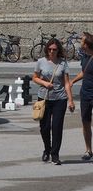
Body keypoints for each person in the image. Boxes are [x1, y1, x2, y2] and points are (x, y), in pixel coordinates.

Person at [33, 37, 75, 165]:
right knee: (44, 127)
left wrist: (71, 100)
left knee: (57, 127)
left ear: (58, 50)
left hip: (59, 99)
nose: (52, 52)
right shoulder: (41, 62)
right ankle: (47, 148)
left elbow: (66, 83)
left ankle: (55, 154)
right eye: (50, 49)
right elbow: (35, 78)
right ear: (47, 49)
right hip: (44, 98)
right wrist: (44, 83)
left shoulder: (63, 63)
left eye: (54, 50)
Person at [70, 31, 93, 160]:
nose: (80, 42)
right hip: (85, 94)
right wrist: (72, 81)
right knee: (85, 122)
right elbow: (84, 72)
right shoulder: (84, 56)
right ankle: (88, 150)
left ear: (87, 44)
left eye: (82, 40)